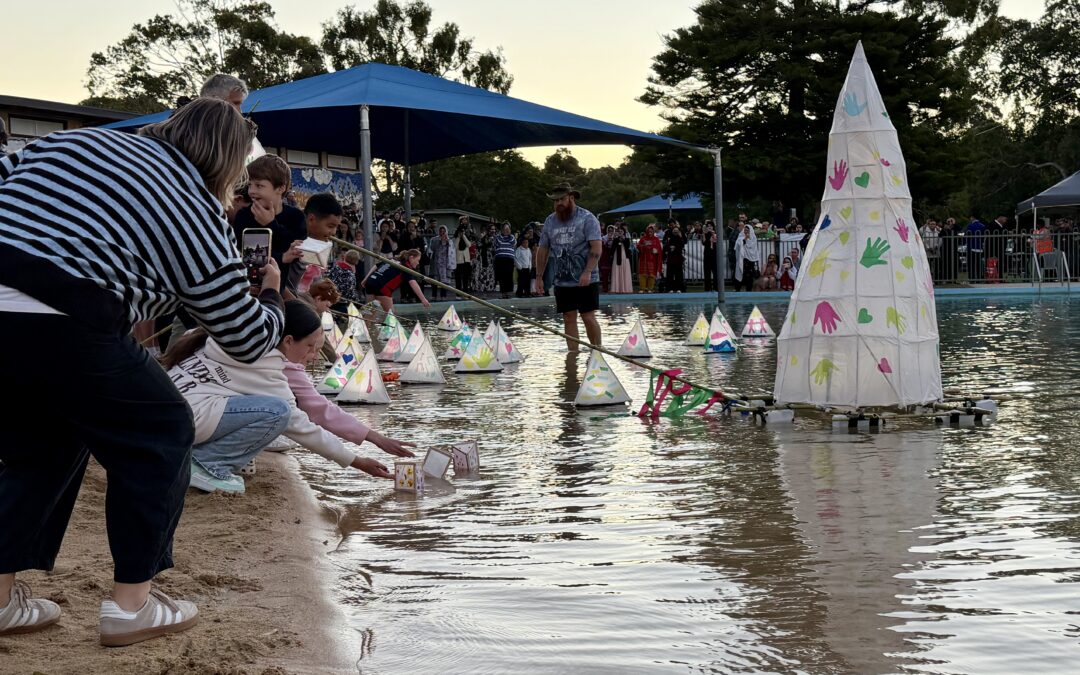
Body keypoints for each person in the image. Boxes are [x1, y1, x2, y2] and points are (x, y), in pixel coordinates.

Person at [0, 98, 283, 644]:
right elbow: (245, 338)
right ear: (228, 164)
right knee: (162, 431)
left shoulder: (70, 141)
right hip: (66, 316)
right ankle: (132, 605)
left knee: (45, 445)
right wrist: (271, 297)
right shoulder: (195, 208)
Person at [164, 301, 414, 493]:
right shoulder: (268, 365)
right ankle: (207, 465)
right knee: (278, 412)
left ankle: (202, 459)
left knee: (276, 420)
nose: (314, 356)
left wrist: (372, 439)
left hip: (166, 421)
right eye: (310, 347)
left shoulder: (228, 340)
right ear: (288, 340)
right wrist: (356, 461)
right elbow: (303, 421)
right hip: (181, 425)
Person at [535, 183, 603, 351]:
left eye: (562, 199)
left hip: (586, 277)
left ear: (571, 198)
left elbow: (596, 247)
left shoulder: (587, 218)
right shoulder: (550, 221)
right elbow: (543, 249)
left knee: (588, 316)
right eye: (555, 200)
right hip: (562, 279)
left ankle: (597, 351)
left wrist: (588, 271)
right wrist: (539, 276)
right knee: (568, 317)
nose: (558, 203)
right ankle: (573, 355)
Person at [232, 154, 307, 296]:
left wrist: (271, 224)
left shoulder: (295, 217)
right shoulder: (244, 216)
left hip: (275, 293)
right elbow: (243, 256)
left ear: (280, 188)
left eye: (259, 185)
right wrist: (281, 258)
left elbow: (296, 252)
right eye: (250, 185)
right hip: (244, 292)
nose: (252, 191)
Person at [361, 249, 431, 313]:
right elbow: (413, 283)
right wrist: (423, 299)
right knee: (391, 315)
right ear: (411, 258)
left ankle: (364, 321)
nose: (418, 263)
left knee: (370, 312)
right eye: (418, 260)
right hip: (382, 287)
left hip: (370, 282)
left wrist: (365, 279)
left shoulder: (393, 260)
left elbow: (376, 266)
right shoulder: (406, 267)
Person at [427, 225, 456, 300]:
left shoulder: (450, 241)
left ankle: (443, 296)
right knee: (434, 280)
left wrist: (446, 242)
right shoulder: (434, 239)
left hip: (445, 263)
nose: (442, 233)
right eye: (441, 231)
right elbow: (431, 249)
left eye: (444, 231)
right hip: (436, 262)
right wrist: (439, 241)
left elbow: (452, 251)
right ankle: (434, 295)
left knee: (444, 281)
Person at [636, 223, 663, 293]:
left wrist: (656, 250)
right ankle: (642, 288)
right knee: (643, 274)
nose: (650, 233)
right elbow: (638, 246)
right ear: (646, 231)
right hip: (644, 259)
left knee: (651, 274)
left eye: (651, 231)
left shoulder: (656, 239)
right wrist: (644, 246)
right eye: (649, 231)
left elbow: (659, 249)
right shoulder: (643, 238)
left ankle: (650, 288)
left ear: (653, 232)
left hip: (652, 260)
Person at [734, 221, 759, 292]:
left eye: (748, 230)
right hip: (743, 259)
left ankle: (749, 290)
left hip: (751, 260)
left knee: (749, 275)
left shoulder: (753, 238)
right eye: (745, 230)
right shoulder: (740, 237)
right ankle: (738, 289)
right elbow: (738, 245)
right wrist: (745, 239)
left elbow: (754, 249)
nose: (746, 231)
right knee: (741, 273)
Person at [494, 223, 517, 299]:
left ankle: (508, 292)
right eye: (505, 229)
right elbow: (498, 242)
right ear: (502, 230)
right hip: (500, 258)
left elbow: (513, 242)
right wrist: (503, 235)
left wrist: (509, 234)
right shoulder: (498, 237)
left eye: (508, 229)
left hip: (509, 259)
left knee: (509, 276)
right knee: (502, 276)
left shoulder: (512, 237)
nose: (506, 230)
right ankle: (503, 293)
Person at [609, 224, 633, 294]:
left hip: (625, 257)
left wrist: (623, 239)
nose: (620, 232)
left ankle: (625, 288)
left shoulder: (627, 239)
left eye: (621, 231)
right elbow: (612, 248)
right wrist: (615, 238)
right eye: (619, 231)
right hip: (617, 257)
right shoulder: (616, 239)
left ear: (624, 232)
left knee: (625, 271)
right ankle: (616, 288)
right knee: (617, 270)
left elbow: (627, 246)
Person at [663, 223, 686, 292]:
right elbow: (666, 247)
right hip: (671, 259)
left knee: (679, 274)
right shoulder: (670, 239)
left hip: (678, 259)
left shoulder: (680, 239)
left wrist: (681, 237)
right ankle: (670, 288)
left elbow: (682, 245)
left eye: (677, 231)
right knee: (670, 275)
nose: (675, 232)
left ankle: (679, 288)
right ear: (672, 232)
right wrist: (670, 248)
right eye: (674, 231)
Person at [454, 217, 473, 293]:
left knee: (466, 277)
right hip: (459, 260)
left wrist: (464, 236)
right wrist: (459, 236)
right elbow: (455, 246)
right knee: (458, 277)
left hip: (466, 259)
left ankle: (465, 292)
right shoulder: (457, 235)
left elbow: (469, 245)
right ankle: (458, 293)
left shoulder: (467, 235)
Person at [515, 230, 534, 298]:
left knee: (527, 281)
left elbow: (530, 258)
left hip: (527, 268)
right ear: (522, 243)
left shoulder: (528, 250)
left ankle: (527, 293)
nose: (526, 244)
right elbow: (516, 258)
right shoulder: (519, 249)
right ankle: (519, 293)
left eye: (527, 242)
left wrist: (530, 266)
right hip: (521, 268)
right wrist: (519, 266)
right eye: (524, 243)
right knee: (521, 281)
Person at [702, 221, 718, 292]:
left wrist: (713, 234)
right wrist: (704, 233)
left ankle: (716, 287)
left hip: (714, 254)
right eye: (708, 226)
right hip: (707, 254)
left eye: (711, 226)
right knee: (707, 272)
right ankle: (707, 288)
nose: (709, 227)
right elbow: (704, 242)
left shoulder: (715, 233)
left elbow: (716, 242)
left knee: (715, 272)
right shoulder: (705, 234)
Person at [599, 225, 615, 292]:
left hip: (613, 257)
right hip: (605, 257)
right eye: (609, 230)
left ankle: (613, 287)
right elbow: (603, 247)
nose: (610, 232)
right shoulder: (603, 238)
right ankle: (605, 287)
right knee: (605, 273)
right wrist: (608, 240)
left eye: (612, 230)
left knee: (613, 273)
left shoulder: (615, 238)